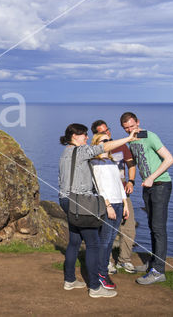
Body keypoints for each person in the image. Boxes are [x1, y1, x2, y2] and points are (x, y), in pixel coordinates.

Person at [59, 123, 138, 298]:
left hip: (66, 200)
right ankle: (95, 287)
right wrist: (129, 138)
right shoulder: (80, 152)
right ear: (75, 136)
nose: (87, 138)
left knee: (74, 241)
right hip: (81, 202)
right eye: (84, 135)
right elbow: (103, 147)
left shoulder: (65, 153)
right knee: (93, 244)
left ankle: (70, 280)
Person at [120, 112, 173, 285]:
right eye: (126, 128)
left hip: (160, 185)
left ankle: (159, 271)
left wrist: (152, 177)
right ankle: (153, 263)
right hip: (148, 187)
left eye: (132, 126)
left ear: (138, 122)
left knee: (158, 228)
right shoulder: (131, 140)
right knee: (152, 226)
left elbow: (169, 159)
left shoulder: (150, 136)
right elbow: (133, 163)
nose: (130, 130)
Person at [91, 119, 137, 274]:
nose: (107, 133)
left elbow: (131, 164)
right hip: (106, 198)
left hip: (122, 194)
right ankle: (107, 263)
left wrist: (131, 181)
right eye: (102, 131)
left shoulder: (120, 146)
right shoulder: (95, 153)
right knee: (106, 232)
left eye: (107, 129)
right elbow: (98, 183)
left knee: (129, 228)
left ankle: (124, 260)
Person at [90, 133, 129, 291]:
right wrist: (108, 205)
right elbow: (99, 186)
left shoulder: (113, 162)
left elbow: (119, 184)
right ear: (97, 144)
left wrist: (125, 203)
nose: (108, 143)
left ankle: (103, 271)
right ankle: (101, 273)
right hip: (109, 204)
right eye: (104, 141)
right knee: (105, 241)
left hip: (119, 203)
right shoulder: (95, 163)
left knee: (111, 240)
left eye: (109, 140)